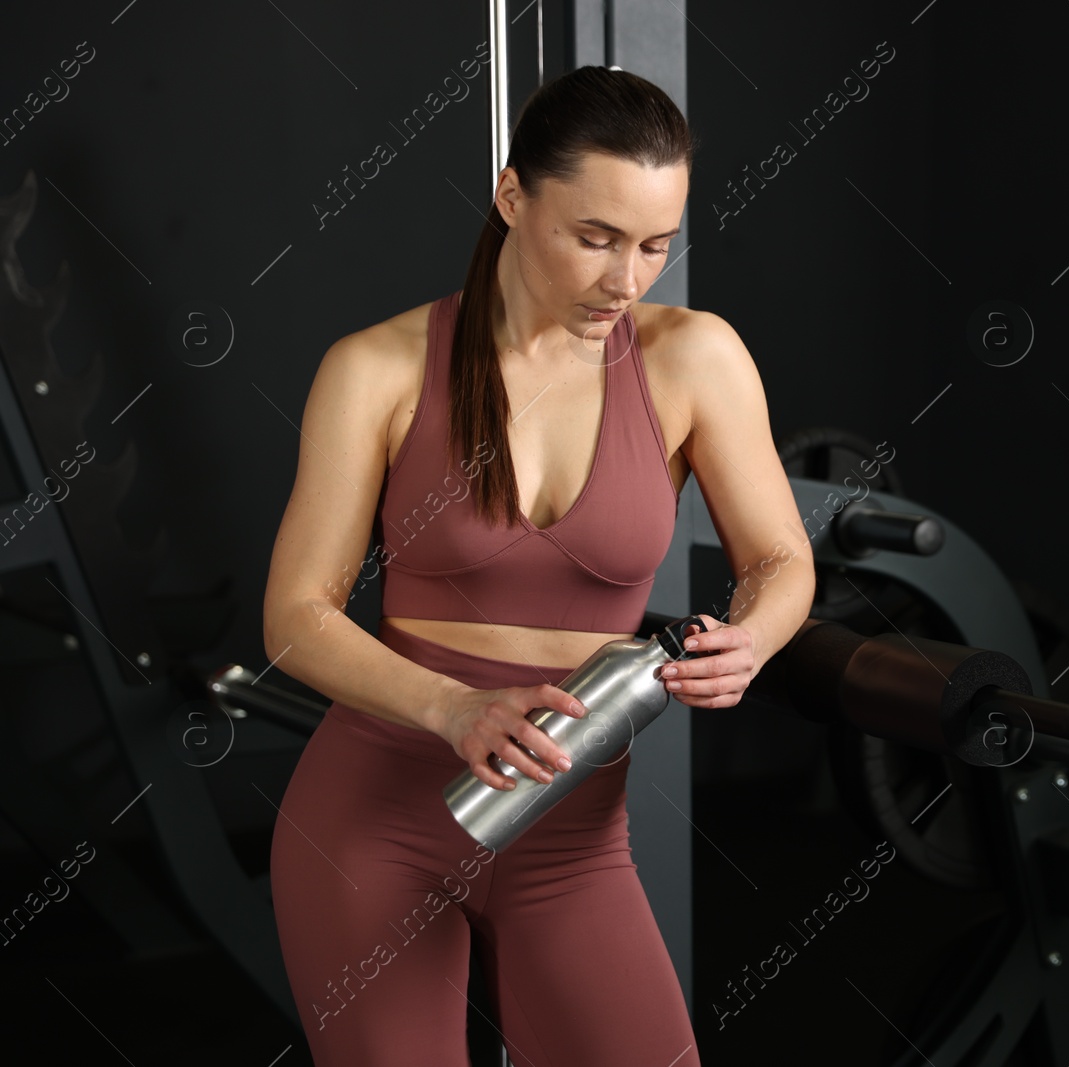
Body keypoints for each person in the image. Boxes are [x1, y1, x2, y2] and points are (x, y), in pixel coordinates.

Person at [261, 65, 815, 1066]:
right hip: (376, 821)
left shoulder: (695, 358)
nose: (626, 279)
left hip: (571, 836)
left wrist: (756, 636)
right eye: (594, 237)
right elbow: (297, 613)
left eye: (655, 244)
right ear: (512, 196)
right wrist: (450, 707)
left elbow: (779, 557)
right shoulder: (376, 368)